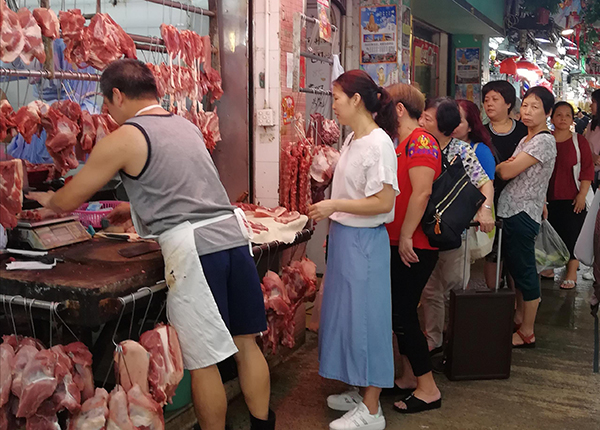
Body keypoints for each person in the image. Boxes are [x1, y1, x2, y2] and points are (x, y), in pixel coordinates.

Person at [27, 59, 275, 430]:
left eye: (106, 104)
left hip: (196, 250)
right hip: (233, 238)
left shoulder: (126, 137)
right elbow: (184, 187)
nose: (107, 113)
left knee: (203, 361)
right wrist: (133, 208)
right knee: (246, 344)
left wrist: (43, 200)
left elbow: (69, 198)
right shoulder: (185, 126)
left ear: (117, 95)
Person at [308, 69, 399, 430]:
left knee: (367, 322)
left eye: (337, 98)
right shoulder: (352, 139)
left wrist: (334, 206)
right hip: (346, 238)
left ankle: (372, 410)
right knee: (347, 319)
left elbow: (384, 202)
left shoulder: (379, 144)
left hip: (364, 243)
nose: (333, 105)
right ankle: (360, 391)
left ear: (356, 100)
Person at [382, 83, 442, 414]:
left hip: (415, 244)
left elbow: (422, 193)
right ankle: (408, 378)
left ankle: (428, 388)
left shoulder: (421, 142)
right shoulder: (402, 144)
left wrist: (406, 235)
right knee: (400, 313)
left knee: (404, 314)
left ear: (400, 109)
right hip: (400, 241)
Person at [418, 98, 494, 355]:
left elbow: (485, 183)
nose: (421, 122)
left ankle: (457, 340)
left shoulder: (461, 150)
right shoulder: (419, 146)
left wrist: (485, 210)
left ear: (444, 125)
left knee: (455, 288)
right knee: (430, 290)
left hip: (454, 232)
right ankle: (434, 339)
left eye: (427, 118)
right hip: (423, 231)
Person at [496, 86, 557, 348]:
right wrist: (507, 166)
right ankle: (520, 318)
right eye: (525, 105)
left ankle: (527, 332)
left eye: (535, 107)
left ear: (548, 112)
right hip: (512, 211)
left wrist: (502, 167)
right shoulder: (526, 139)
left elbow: (507, 171)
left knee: (525, 272)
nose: (528, 111)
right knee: (517, 271)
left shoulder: (543, 141)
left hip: (522, 213)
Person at [482, 81, 528, 289]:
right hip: (489, 200)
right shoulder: (480, 133)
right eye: (486, 100)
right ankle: (493, 295)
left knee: (516, 252)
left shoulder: (524, 132)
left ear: (508, 103)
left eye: (495, 99)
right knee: (492, 250)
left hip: (519, 200)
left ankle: (515, 300)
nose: (489, 104)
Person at [546, 102, 594, 289]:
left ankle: (571, 272)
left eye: (567, 115)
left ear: (572, 119)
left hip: (573, 197)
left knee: (573, 234)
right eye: (559, 115)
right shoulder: (545, 140)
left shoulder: (579, 141)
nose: (563, 119)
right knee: (550, 233)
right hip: (548, 197)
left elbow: (587, 169)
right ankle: (549, 267)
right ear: (551, 118)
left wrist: (582, 194)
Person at [585, 90, 600, 190]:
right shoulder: (592, 125)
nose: (590, 105)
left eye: (593, 102)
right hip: (591, 174)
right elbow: (585, 148)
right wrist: (592, 156)